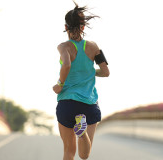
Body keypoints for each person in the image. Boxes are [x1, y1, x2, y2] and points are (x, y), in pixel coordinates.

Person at [53, 2, 109, 160]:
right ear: (83, 27)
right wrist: (90, 72)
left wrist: (60, 84)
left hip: (67, 103)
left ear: (65, 26)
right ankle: (82, 133)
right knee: (84, 155)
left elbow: (67, 64)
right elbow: (105, 72)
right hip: (89, 103)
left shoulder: (64, 47)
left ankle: (81, 129)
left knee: (69, 151)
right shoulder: (93, 46)